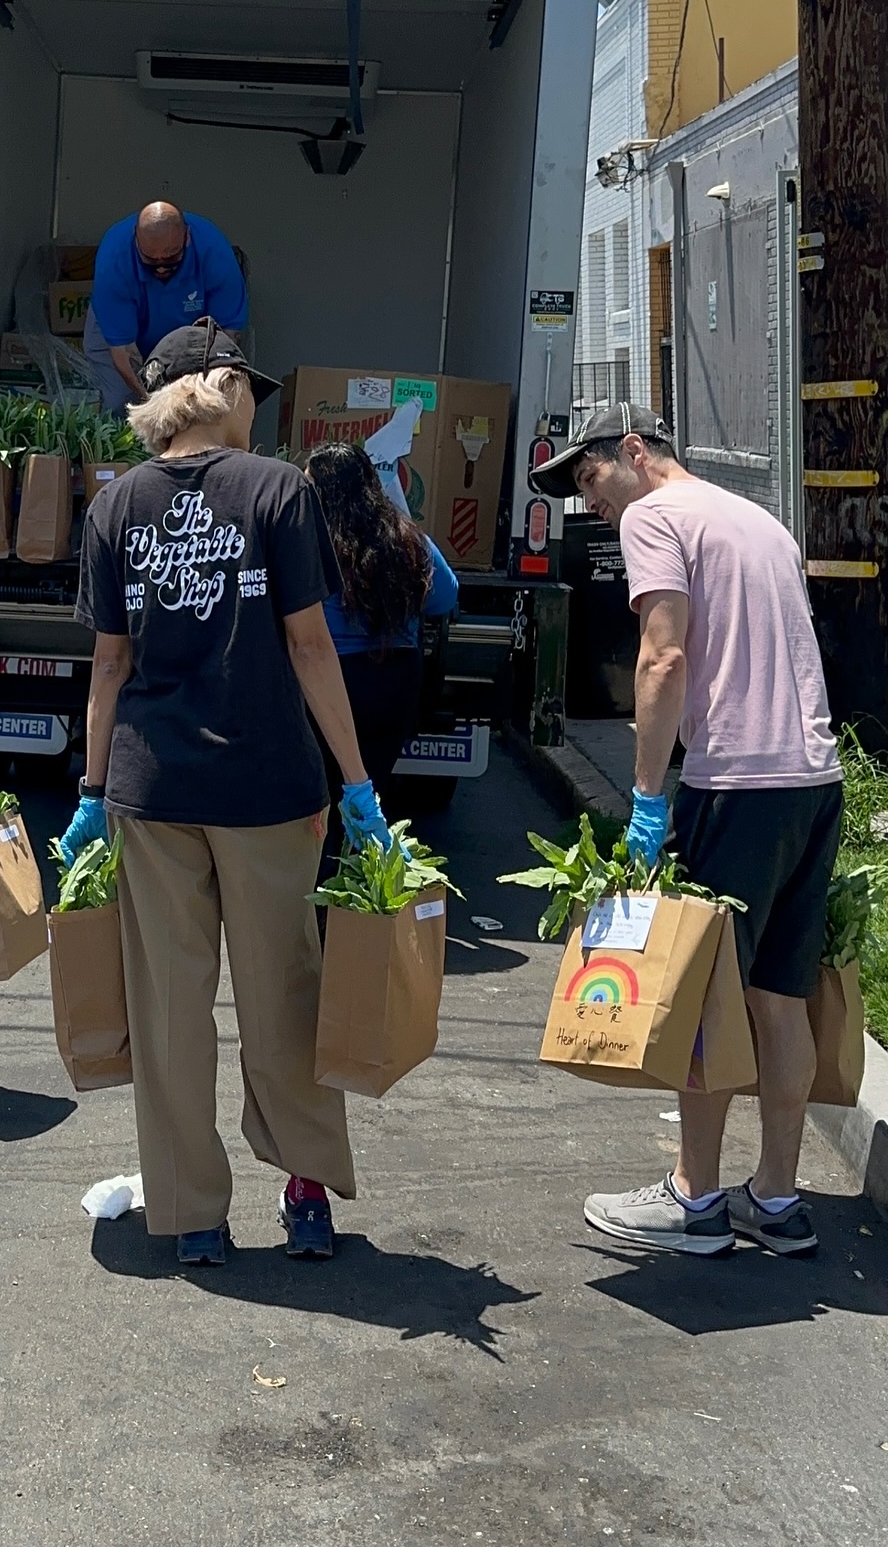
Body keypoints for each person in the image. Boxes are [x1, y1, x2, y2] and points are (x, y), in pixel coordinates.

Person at [61, 318, 393, 1266]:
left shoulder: (116, 505)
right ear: (220, 387)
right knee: (282, 995)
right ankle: (305, 1190)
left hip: (153, 791)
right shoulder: (278, 490)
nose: (258, 407)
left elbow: (109, 665)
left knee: (169, 1008)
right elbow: (309, 645)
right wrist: (358, 783)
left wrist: (91, 789)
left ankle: (191, 1213)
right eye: (253, 388)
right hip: (268, 787)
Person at [532, 402, 843, 1257]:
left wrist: (646, 798)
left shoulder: (656, 517)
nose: (590, 502)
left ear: (636, 451)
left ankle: (694, 1199)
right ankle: (775, 1199)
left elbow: (663, 656)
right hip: (813, 782)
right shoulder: (758, 521)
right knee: (779, 999)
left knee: (705, 997)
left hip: (736, 784)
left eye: (591, 477)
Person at [304, 441, 459, 872]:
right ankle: (361, 885)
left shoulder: (308, 544)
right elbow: (446, 596)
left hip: (331, 681)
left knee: (322, 795)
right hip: (395, 681)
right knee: (371, 786)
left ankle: (323, 888)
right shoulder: (407, 538)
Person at [84, 202, 248, 410]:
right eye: (150, 260)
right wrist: (154, 406)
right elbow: (123, 352)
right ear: (136, 241)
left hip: (193, 333)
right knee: (120, 401)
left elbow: (226, 340)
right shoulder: (114, 261)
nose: (161, 268)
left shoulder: (215, 254)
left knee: (211, 403)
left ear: (187, 238)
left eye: (171, 258)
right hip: (124, 333)